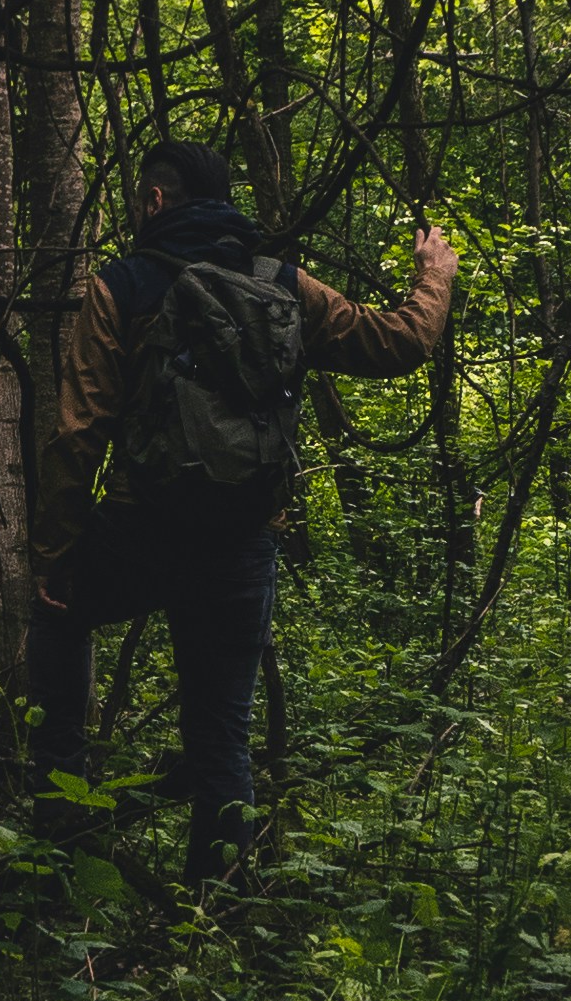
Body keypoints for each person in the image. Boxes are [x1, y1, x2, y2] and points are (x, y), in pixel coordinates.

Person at [29, 137, 457, 883]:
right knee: (222, 735)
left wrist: (56, 556)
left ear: (155, 199)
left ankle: (60, 825)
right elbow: (400, 342)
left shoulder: (121, 286)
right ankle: (218, 904)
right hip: (241, 540)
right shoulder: (282, 284)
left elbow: (78, 433)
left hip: (140, 530)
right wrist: (434, 276)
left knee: (56, 616)